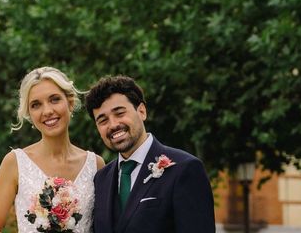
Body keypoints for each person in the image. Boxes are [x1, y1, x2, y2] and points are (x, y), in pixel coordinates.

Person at [0, 66, 105, 233]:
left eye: (54, 99)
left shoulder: (96, 165)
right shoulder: (14, 163)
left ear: (70, 102)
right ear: (29, 114)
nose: (47, 111)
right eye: (36, 105)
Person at [85, 75, 215, 233]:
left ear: (142, 111)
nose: (113, 125)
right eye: (103, 120)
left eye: (119, 113)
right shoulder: (101, 179)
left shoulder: (185, 169)